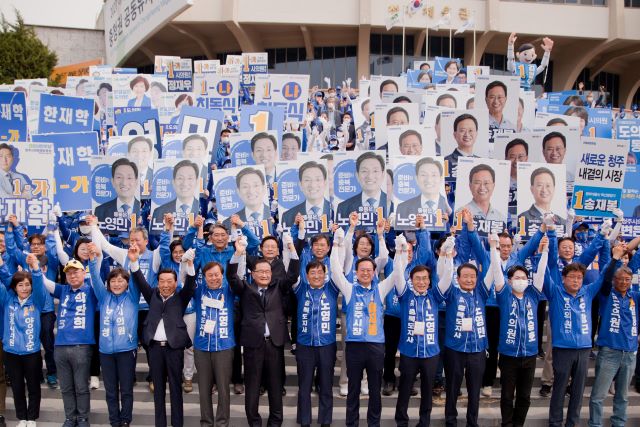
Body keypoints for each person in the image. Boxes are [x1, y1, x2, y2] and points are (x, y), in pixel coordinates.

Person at [330, 227, 403, 427]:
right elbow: (335, 271)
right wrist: (336, 245)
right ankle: (351, 423)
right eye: (361, 270)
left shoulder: (380, 289)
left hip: (375, 347)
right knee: (353, 389)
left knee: (374, 389)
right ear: (356, 272)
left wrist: (400, 251)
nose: (365, 273)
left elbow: (397, 273)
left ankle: (374, 423)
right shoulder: (349, 289)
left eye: (369, 270)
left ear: (374, 273)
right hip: (353, 346)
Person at [226, 235, 301, 427]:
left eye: (268, 272)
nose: (266, 275)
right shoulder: (245, 289)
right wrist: (238, 253)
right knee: (252, 387)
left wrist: (291, 247)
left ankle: (275, 422)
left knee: (276, 387)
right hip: (253, 345)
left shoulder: (278, 287)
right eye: (261, 272)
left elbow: (292, 274)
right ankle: (254, 422)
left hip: (274, 343)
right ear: (253, 273)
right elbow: (232, 277)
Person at [129, 241, 196, 427]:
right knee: (158, 391)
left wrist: (189, 266)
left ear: (175, 283)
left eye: (169, 281)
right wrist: (134, 262)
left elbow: (190, 286)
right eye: (162, 281)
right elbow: (140, 281)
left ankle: (177, 424)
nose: (165, 285)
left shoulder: (181, 298)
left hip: (174, 349)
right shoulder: (152, 295)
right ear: (157, 283)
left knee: (176, 389)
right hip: (155, 350)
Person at [544, 246, 611, 427]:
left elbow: (605, 274)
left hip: (583, 349)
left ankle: (572, 423)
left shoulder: (588, 292)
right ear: (563, 278)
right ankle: (555, 423)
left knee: (578, 391)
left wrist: (615, 258)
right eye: (572, 277)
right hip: (563, 350)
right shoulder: (556, 292)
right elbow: (545, 272)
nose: (576, 280)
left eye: (579, 277)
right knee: (559, 390)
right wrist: (544, 249)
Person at [437, 236, 501, 427]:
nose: (469, 279)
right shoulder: (451, 293)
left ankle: (472, 422)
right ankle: (451, 420)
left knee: (474, 391)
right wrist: (446, 254)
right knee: (453, 388)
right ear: (458, 278)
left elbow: (493, 270)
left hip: (478, 350)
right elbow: (443, 274)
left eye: (472, 276)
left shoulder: (481, 292)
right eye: (465, 276)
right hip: (455, 349)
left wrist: (493, 247)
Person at [393, 235, 453, 427]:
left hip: (430, 353)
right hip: (409, 352)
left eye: (425, 279)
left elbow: (447, 278)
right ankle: (401, 421)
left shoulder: (435, 296)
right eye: (417, 279)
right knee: (404, 389)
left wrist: (448, 255)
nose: (421, 282)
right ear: (411, 280)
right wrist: (400, 252)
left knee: (427, 390)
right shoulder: (405, 295)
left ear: (429, 281)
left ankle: (424, 421)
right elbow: (397, 273)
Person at [494, 238, 548, 427]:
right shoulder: (504, 296)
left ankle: (519, 424)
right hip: (508, 355)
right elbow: (496, 273)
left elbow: (540, 274)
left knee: (524, 396)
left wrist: (545, 252)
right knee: (507, 396)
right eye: (516, 278)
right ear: (509, 281)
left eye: (523, 278)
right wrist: (494, 248)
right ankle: (507, 424)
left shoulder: (533, 295)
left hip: (530, 355)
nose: (520, 280)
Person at [87, 242, 139, 427]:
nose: (117, 284)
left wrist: (133, 261)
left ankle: (126, 420)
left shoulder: (132, 296)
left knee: (126, 390)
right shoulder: (104, 297)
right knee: (110, 391)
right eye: (113, 281)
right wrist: (93, 260)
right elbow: (94, 277)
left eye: (121, 280)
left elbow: (135, 278)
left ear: (126, 283)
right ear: (108, 284)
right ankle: (114, 421)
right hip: (106, 351)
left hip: (127, 350)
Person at [42, 258, 98, 427]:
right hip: (60, 346)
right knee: (66, 387)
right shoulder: (63, 290)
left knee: (81, 386)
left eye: (76, 272)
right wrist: (36, 268)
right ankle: (70, 417)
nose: (72, 276)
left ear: (83, 273)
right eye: (69, 273)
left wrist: (95, 261)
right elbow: (45, 282)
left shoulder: (92, 291)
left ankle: (82, 418)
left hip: (82, 346)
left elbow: (97, 278)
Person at [588, 243, 636, 427]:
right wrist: (615, 258)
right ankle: (595, 424)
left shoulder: (634, 297)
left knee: (623, 396)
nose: (624, 282)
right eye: (621, 279)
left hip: (630, 353)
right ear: (615, 281)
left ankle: (619, 423)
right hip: (609, 352)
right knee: (598, 395)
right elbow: (606, 277)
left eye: (627, 280)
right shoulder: (607, 294)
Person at [0, 253, 46, 427]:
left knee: (33, 386)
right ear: (15, 287)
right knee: (18, 387)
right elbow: (4, 276)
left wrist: (35, 267)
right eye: (21, 285)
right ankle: (22, 418)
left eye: (27, 285)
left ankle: (32, 418)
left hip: (31, 352)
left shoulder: (37, 300)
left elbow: (40, 285)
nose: (25, 288)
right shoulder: (7, 299)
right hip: (11, 352)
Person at [291, 258, 339, 427]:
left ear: (325, 275)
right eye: (313, 272)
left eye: (320, 272)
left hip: (327, 345)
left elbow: (340, 268)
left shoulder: (332, 289)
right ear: (306, 275)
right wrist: (291, 245)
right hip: (305, 345)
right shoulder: (300, 289)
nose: (317, 276)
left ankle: (325, 420)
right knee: (304, 387)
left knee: (326, 386)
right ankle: (304, 420)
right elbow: (292, 267)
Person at [191, 260, 236, 427]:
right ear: (204, 277)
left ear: (222, 275)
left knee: (224, 390)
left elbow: (235, 279)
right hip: (202, 347)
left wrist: (238, 255)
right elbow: (188, 280)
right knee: (204, 390)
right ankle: (206, 423)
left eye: (217, 274)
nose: (214, 278)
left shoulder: (229, 290)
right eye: (210, 275)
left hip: (224, 346)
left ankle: (222, 423)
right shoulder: (198, 291)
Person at [336, 151, 387, 225]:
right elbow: (340, 234)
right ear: (357, 175)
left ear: (383, 174)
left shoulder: (391, 204)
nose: (370, 176)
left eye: (375, 171)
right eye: (364, 171)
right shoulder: (343, 207)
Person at [395, 157, 450, 224]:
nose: (429, 180)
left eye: (434, 175)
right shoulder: (403, 208)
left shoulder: (447, 205)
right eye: (423, 175)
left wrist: (446, 224)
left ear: (441, 178)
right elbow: (400, 231)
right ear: (416, 179)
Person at [281, 161, 331, 228]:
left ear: (325, 183)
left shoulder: (334, 211)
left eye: (318, 179)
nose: (313, 185)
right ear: (300, 185)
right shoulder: (288, 216)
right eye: (307, 180)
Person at [151, 160, 200, 224]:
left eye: (190, 178)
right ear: (173, 182)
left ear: (197, 182)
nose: (185, 183)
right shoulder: (159, 212)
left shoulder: (202, 210)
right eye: (180, 178)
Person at [94, 158, 141, 223]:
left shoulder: (143, 209)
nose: (124, 183)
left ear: (136, 182)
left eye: (129, 178)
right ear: (112, 181)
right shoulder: (100, 210)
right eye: (119, 177)